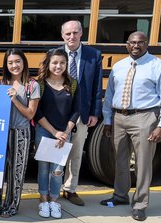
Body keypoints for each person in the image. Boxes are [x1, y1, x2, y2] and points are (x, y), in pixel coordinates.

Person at [100, 31, 161, 221]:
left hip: (144, 117)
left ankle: (140, 203)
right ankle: (120, 195)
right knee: (119, 159)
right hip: (119, 117)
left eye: (140, 42)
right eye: (132, 42)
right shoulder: (119, 66)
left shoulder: (158, 66)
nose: (136, 46)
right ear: (127, 44)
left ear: (147, 44)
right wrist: (108, 120)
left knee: (143, 163)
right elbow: (110, 94)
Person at [0, 48, 40, 217]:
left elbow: (31, 113)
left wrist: (15, 99)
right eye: (10, 62)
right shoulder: (1, 83)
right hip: (0, 132)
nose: (14, 65)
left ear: (24, 62)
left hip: (21, 132)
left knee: (16, 172)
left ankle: (11, 205)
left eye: (17, 61)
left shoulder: (32, 85)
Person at [59, 20, 103, 206]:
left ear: (81, 33)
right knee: (55, 153)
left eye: (75, 32)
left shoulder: (93, 55)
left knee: (75, 152)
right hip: (58, 113)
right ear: (62, 35)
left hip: (82, 113)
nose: (71, 36)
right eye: (68, 33)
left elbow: (97, 86)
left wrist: (94, 112)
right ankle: (52, 190)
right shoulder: (55, 54)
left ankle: (70, 189)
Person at [34, 48, 80, 219]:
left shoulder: (73, 84)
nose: (58, 66)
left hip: (64, 133)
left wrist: (66, 132)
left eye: (62, 62)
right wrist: (54, 131)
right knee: (44, 167)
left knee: (58, 169)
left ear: (67, 64)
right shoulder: (40, 84)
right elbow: (37, 112)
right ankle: (43, 199)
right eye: (54, 62)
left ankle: (54, 200)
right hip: (44, 131)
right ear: (48, 63)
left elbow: (76, 110)